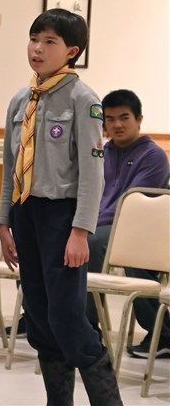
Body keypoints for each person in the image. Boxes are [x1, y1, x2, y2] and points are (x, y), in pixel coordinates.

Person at [0, 9, 122, 405]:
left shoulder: (84, 100)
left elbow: (92, 174)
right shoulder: (21, 100)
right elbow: (10, 166)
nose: (37, 48)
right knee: (38, 315)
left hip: (62, 218)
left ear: (72, 51)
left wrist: (80, 231)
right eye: (34, 39)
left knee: (66, 317)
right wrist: (3, 223)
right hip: (25, 214)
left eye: (49, 42)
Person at [86, 89, 170, 358]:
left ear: (139, 119)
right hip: (101, 225)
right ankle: (40, 316)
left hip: (135, 229)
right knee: (48, 236)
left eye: (124, 117)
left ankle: (87, 328)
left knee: (90, 242)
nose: (117, 125)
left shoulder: (154, 156)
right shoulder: (100, 153)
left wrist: (86, 224)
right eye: (110, 119)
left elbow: (129, 206)